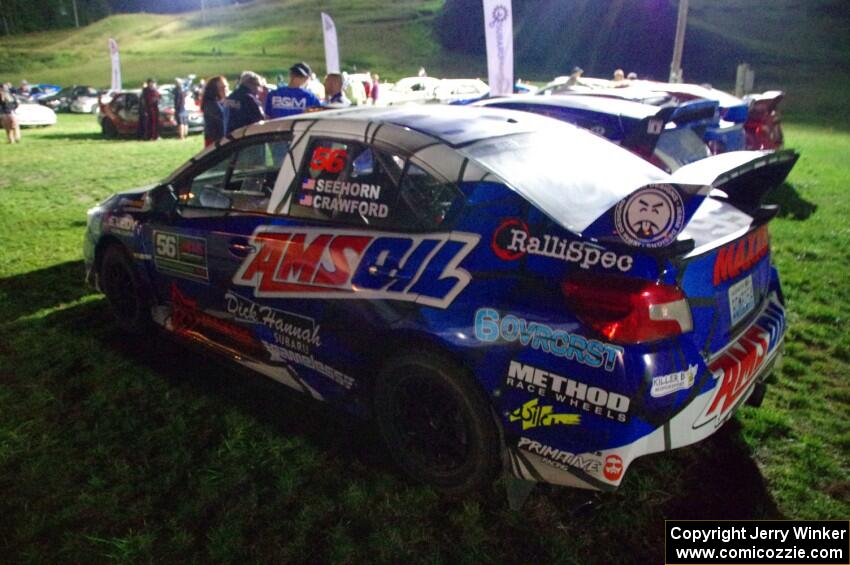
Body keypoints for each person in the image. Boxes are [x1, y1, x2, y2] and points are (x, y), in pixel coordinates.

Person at [201, 76, 229, 147]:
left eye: (226, 87)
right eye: (221, 88)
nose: (225, 90)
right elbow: (221, 125)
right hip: (216, 143)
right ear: (215, 90)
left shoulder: (220, 102)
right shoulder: (212, 105)